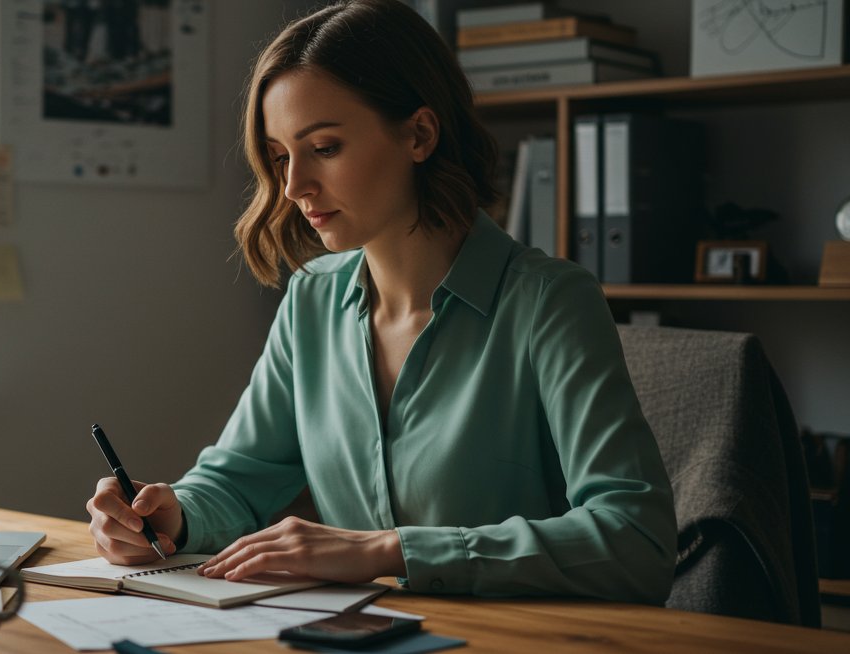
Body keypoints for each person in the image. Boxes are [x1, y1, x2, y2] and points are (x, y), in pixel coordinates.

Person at [86, 0, 677, 604]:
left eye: (325, 147)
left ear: (418, 134)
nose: (294, 187)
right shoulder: (311, 301)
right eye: (282, 156)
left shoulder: (549, 302)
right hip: (361, 636)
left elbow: (637, 539)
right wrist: (171, 518)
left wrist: (386, 550)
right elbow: (239, 480)